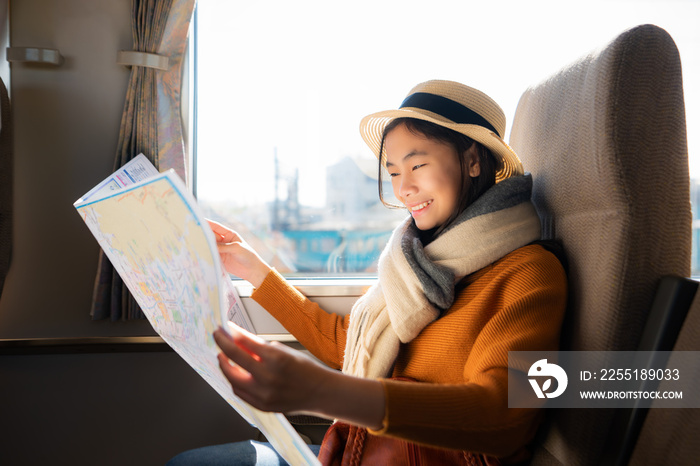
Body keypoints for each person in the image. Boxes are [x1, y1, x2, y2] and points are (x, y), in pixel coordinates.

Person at [168, 80, 567, 465]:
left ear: (474, 160)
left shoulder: (529, 273)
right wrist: (253, 268)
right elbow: (354, 344)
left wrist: (325, 392)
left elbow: (504, 416)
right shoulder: (415, 261)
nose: (403, 188)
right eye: (394, 172)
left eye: (418, 164)